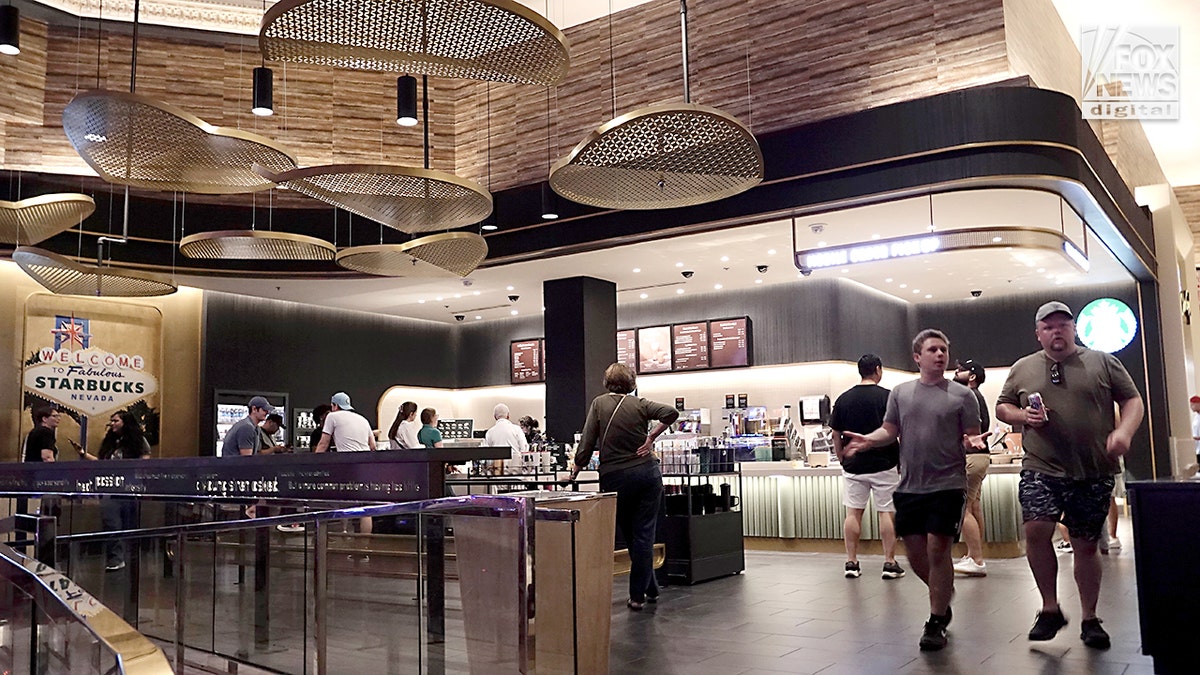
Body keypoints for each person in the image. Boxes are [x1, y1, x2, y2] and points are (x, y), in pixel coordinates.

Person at [996, 301, 1143, 650]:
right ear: (1038, 333)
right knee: (1036, 529)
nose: (1056, 331)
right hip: (1041, 466)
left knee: (1085, 544)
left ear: (1074, 329)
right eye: (1048, 327)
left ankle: (1090, 617)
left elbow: (1133, 400)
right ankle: (1049, 608)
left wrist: (1123, 433)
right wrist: (1022, 418)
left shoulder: (1103, 362)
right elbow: (1002, 407)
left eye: (1063, 325)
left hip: (1092, 470)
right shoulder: (1023, 368)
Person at [843, 329, 983, 651]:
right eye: (933, 350)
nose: (940, 355)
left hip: (948, 484)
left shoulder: (963, 396)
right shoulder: (900, 394)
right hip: (909, 486)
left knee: (938, 550)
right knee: (915, 554)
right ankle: (942, 592)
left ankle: (936, 620)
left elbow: (971, 435)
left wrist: (972, 442)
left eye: (943, 350)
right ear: (917, 357)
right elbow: (889, 431)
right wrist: (867, 440)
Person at [569, 363, 679, 611]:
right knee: (643, 534)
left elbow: (587, 441)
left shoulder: (599, 404)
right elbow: (671, 413)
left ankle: (637, 596)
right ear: (632, 383)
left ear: (607, 382)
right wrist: (651, 437)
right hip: (648, 475)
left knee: (632, 535)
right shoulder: (640, 404)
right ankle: (648, 589)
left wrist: (577, 467)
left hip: (616, 477)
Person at [829, 354, 905, 581]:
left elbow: (835, 433)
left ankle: (851, 562)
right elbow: (899, 430)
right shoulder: (888, 397)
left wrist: (841, 456)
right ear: (878, 370)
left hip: (854, 465)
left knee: (853, 513)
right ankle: (889, 563)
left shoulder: (843, 399)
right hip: (885, 463)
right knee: (886, 513)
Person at [81, 410, 151, 570]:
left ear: (125, 422)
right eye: (111, 421)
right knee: (111, 522)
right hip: (110, 487)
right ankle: (116, 558)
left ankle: (130, 557)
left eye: (116, 421)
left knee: (129, 523)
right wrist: (84, 455)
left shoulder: (138, 441)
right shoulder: (111, 442)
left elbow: (144, 464)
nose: (112, 424)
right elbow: (102, 463)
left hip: (129, 487)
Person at [952, 359, 991, 577]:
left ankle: (976, 559)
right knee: (974, 507)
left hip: (970, 458)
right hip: (981, 458)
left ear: (972, 376)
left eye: (961, 370)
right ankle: (973, 554)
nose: (956, 372)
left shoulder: (968, 397)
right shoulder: (978, 397)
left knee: (963, 508)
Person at [19, 406, 61, 516]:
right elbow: (47, 457)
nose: (58, 419)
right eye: (54, 416)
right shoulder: (46, 432)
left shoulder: (34, 431)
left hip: (31, 476)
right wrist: (57, 477)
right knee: (47, 512)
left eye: (58, 416)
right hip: (42, 478)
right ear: (44, 418)